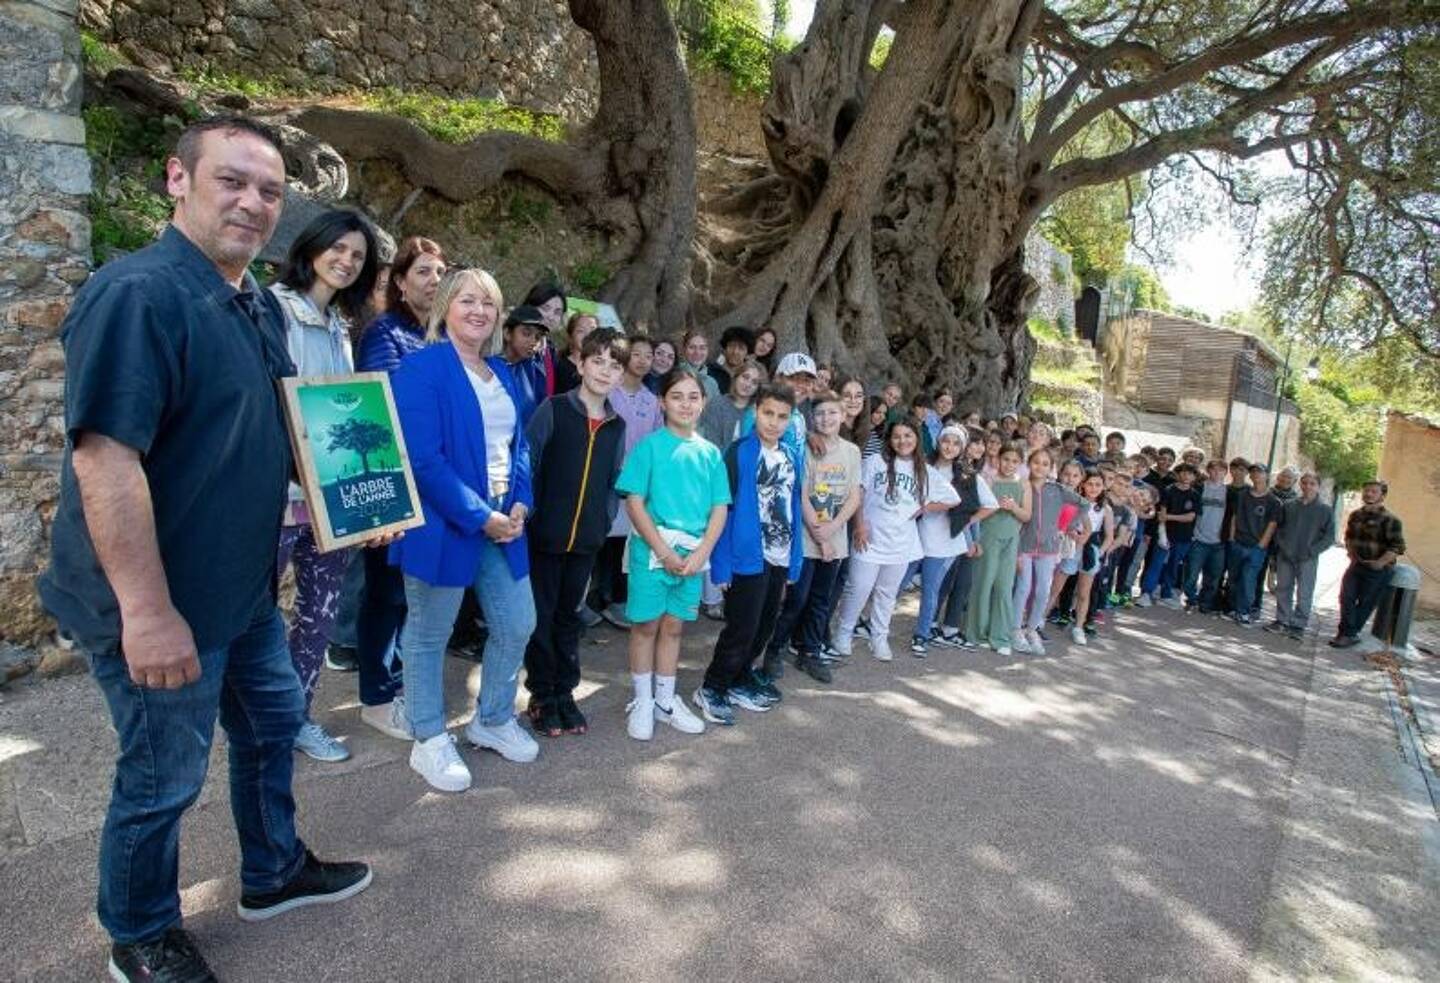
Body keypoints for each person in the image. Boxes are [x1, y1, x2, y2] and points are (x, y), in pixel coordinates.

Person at [38, 116, 372, 981]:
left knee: (270, 728)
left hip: (243, 591)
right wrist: (148, 616)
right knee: (163, 776)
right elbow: (106, 460)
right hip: (157, 604)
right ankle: (141, 930)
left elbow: (286, 425)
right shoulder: (137, 295)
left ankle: (271, 870)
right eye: (231, 181)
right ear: (176, 179)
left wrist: (357, 497)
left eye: (268, 190)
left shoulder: (252, 299)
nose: (253, 203)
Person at [389, 268, 539, 793]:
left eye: (489, 303)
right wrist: (483, 516)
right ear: (446, 307)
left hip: (503, 522)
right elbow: (423, 461)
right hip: (446, 525)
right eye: (468, 300)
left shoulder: (500, 370)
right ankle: (427, 738)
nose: (479, 311)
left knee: (518, 621)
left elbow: (519, 445)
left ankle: (493, 718)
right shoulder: (421, 368)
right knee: (429, 634)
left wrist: (520, 501)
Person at [270, 209, 380, 763]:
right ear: (311, 247)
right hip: (276, 494)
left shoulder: (341, 326)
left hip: (331, 497)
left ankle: (298, 718)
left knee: (319, 613)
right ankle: (258, 724)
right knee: (258, 617)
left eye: (357, 256)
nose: (346, 261)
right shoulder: (273, 310)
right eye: (338, 248)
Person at [353, 234, 446, 742]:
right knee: (385, 594)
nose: (434, 281)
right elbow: (381, 410)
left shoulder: (443, 335)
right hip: (393, 483)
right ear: (400, 282)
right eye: (424, 272)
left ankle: (401, 682)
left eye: (440, 272)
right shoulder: (384, 334)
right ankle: (375, 696)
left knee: (415, 594)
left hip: (434, 485)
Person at [523, 330, 628, 736]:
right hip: (544, 538)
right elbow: (526, 467)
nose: (605, 370)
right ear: (580, 363)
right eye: (597, 361)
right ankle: (541, 695)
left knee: (570, 618)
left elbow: (612, 482)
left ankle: (564, 693)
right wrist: (528, 517)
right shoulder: (553, 410)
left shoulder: (616, 426)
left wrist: (601, 524)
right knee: (541, 618)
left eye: (614, 365)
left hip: (585, 541)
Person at [617, 367, 730, 739]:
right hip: (653, 550)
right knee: (646, 624)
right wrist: (662, 550)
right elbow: (634, 500)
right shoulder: (649, 446)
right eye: (677, 396)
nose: (685, 403)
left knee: (674, 625)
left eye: (693, 397)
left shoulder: (711, 453)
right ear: (662, 401)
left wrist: (702, 553)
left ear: (704, 403)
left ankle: (665, 701)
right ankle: (643, 700)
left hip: (692, 555)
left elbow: (719, 507)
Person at [698, 384, 806, 720]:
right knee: (741, 627)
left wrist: (794, 561)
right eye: (768, 413)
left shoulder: (791, 455)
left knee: (764, 625)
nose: (774, 422)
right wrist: (722, 565)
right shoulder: (739, 452)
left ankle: (740, 677)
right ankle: (713, 686)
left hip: (779, 555)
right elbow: (723, 510)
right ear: (755, 412)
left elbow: (793, 509)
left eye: (782, 416)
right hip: (746, 558)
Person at [765, 389, 862, 682]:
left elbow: (854, 496)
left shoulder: (852, 451)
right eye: (819, 413)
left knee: (821, 600)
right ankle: (774, 649)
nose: (826, 418)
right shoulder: (803, 449)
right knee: (797, 598)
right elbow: (801, 493)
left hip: (836, 539)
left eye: (833, 412)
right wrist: (821, 537)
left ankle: (810, 651)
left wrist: (833, 532)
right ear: (811, 418)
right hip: (808, 539)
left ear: (843, 415)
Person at [832, 419, 931, 662]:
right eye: (897, 436)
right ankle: (844, 632)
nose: (902, 441)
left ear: (916, 438)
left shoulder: (923, 469)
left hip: (901, 542)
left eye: (908, 435)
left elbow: (942, 499)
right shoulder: (876, 461)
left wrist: (916, 511)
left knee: (887, 592)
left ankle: (879, 636)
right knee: (859, 587)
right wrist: (860, 525)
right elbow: (859, 494)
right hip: (870, 538)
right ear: (889, 439)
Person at [586, 334, 663, 629]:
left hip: (636, 483)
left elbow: (656, 440)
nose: (643, 360)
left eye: (649, 355)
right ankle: (590, 599)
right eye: (638, 354)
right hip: (605, 476)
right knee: (599, 539)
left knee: (623, 544)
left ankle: (615, 599)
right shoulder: (609, 391)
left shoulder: (650, 399)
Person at [1013, 448, 1084, 655]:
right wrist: (1016, 550)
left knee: (1043, 591)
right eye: (1036, 462)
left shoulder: (1057, 490)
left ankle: (1032, 629)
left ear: (1051, 468)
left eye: (1045, 464)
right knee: (1023, 588)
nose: (1040, 467)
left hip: (1049, 549)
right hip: (1024, 546)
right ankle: (1015, 629)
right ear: (1029, 464)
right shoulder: (1022, 486)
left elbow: (1084, 505)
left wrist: (1069, 527)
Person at [911, 426, 975, 655]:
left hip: (946, 541)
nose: (950, 447)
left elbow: (986, 505)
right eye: (946, 441)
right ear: (938, 442)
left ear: (962, 448)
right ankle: (873, 624)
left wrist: (965, 527)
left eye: (956, 443)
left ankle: (922, 634)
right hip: (916, 536)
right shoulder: (922, 466)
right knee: (898, 583)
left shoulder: (966, 476)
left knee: (931, 588)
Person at [933, 428, 997, 647]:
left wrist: (975, 538)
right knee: (945, 579)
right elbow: (960, 511)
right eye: (975, 443)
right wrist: (971, 539)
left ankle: (948, 626)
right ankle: (935, 624)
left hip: (969, 532)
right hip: (955, 533)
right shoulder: (955, 471)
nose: (979, 448)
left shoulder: (971, 472)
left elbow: (974, 511)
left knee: (962, 581)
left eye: (982, 444)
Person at [966, 445, 1031, 655]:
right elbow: (979, 509)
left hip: (1010, 540)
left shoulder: (1024, 484)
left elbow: (1026, 516)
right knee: (984, 583)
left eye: (1014, 461)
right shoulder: (989, 480)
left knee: (1004, 586)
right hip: (989, 537)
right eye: (1005, 459)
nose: (1009, 464)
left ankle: (1001, 636)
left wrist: (1014, 508)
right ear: (998, 460)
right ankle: (977, 633)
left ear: (1020, 464)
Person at [1330, 480, 1406, 648]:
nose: (1368, 494)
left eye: (1373, 491)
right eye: (1366, 491)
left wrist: (1380, 563)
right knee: (1346, 597)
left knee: (1366, 602)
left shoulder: (1391, 520)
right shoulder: (1356, 515)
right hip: (1357, 564)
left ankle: (1347, 634)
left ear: (1382, 496)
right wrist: (1351, 553)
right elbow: (1349, 536)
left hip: (1378, 569)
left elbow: (1398, 546)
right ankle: (1348, 633)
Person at [1268, 472, 1334, 639]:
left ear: (1318, 486)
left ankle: (1298, 625)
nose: (1307, 486)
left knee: (1304, 591)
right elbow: (1279, 529)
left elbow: (1329, 537)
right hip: (1286, 555)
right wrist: (1283, 546)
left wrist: (1312, 551)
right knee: (1283, 588)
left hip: (1308, 558)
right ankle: (1282, 620)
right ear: (1300, 485)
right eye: (1304, 483)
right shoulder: (1289, 505)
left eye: (1312, 483)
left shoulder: (1325, 510)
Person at [1139, 463, 1202, 609]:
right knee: (1156, 563)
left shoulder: (1195, 494)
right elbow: (1161, 515)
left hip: (1184, 537)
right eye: (1183, 472)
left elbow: (1190, 517)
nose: (1186, 476)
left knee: (1173, 566)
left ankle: (1166, 594)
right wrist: (1162, 534)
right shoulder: (1168, 491)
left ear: (1194, 477)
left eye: (1190, 473)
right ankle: (1146, 593)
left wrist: (1169, 516)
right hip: (1165, 535)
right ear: (1177, 474)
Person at [1226, 464, 1282, 627]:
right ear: (1250, 476)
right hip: (1238, 542)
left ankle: (1244, 612)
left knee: (1248, 580)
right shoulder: (1242, 495)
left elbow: (1272, 524)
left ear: (1266, 475)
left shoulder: (1273, 501)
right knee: (1233, 578)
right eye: (1253, 472)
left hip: (1256, 547)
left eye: (1260, 472)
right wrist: (1231, 537)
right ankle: (1234, 608)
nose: (1256, 475)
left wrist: (1261, 545)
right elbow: (1235, 517)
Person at [1184, 459, 1231, 614]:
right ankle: (1191, 599)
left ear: (1225, 473)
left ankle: (1205, 603)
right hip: (1198, 538)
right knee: (1191, 574)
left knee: (1213, 577)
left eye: (1221, 470)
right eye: (1214, 470)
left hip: (1218, 542)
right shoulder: (1199, 488)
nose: (1217, 473)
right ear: (1208, 471)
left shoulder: (1228, 493)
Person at [498, 304, 551, 427]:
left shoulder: (534, 371)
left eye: (538, 337)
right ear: (507, 333)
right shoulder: (487, 367)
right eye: (526, 333)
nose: (533, 341)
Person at [551, 311, 600, 394]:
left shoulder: (601, 372)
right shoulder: (556, 364)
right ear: (570, 336)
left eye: (592, 330)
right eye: (581, 331)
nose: (587, 335)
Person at [708, 325, 753, 394]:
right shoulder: (710, 371)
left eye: (741, 348)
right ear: (725, 348)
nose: (735, 352)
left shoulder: (751, 377)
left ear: (747, 353)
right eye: (732, 346)